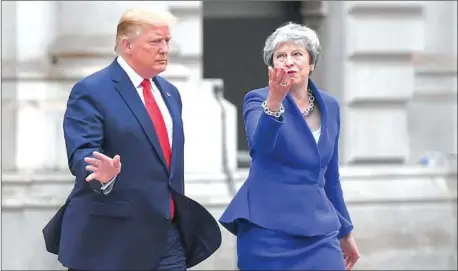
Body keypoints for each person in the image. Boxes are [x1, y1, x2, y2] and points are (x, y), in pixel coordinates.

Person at [42, 8, 221, 271]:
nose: (164, 49)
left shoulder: (169, 93)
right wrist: (103, 174)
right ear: (127, 45)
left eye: (167, 41)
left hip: (167, 237)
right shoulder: (92, 90)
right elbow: (82, 152)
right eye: (155, 42)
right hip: (112, 239)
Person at [219, 22, 360, 270]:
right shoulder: (258, 99)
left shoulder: (330, 105)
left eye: (297, 54)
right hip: (268, 231)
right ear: (272, 66)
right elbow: (260, 148)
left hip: (319, 231)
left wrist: (345, 230)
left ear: (311, 63)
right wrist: (274, 103)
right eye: (280, 56)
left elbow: (330, 175)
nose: (289, 61)